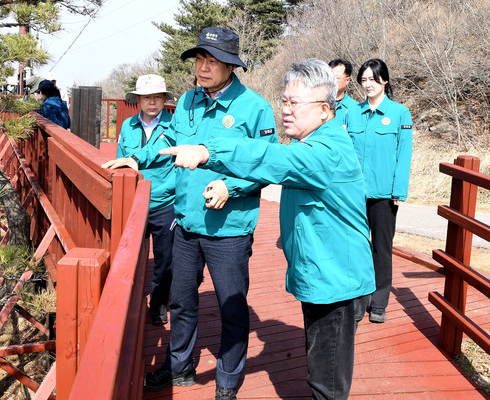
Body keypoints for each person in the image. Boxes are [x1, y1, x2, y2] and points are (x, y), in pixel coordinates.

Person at [159, 58, 375, 400]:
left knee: (327, 383)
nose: (286, 110)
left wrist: (207, 151)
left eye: (294, 103)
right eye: (284, 101)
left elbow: (269, 158)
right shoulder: (314, 142)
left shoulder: (326, 151)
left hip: (337, 279)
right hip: (324, 273)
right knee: (320, 369)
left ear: (323, 110)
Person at [102, 26, 278, 400]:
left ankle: (228, 379)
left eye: (212, 61)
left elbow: (268, 164)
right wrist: (136, 158)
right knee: (182, 301)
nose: (202, 67)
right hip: (185, 223)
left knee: (231, 307)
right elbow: (167, 143)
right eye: (199, 59)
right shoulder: (186, 102)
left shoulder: (254, 108)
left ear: (231, 66)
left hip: (229, 229)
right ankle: (179, 366)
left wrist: (233, 187)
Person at [350, 58, 413, 324]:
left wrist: (398, 191)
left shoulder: (400, 113)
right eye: (363, 80)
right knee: (355, 247)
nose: (368, 84)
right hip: (353, 193)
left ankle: (379, 302)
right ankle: (357, 299)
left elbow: (404, 154)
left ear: (384, 80)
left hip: (384, 195)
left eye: (373, 79)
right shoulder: (351, 112)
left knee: (381, 248)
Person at [116, 74, 176, 325]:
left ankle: (159, 302)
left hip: (165, 202)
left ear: (164, 99)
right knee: (131, 259)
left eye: (157, 96)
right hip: (134, 202)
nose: (152, 101)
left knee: (166, 261)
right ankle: (130, 302)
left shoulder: (175, 125)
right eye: (146, 97)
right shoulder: (128, 126)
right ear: (138, 100)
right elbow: (120, 162)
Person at [328, 58, 361, 131]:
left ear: (347, 80)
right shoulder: (318, 104)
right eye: (330, 77)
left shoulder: (355, 108)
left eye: (336, 78)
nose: (332, 81)